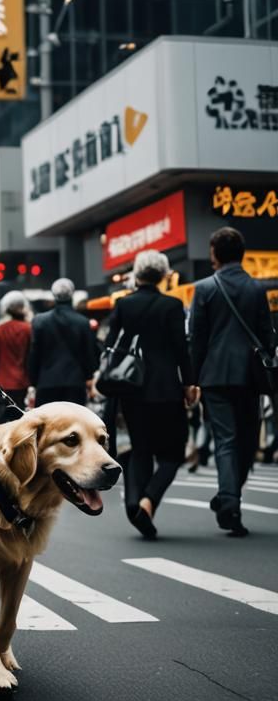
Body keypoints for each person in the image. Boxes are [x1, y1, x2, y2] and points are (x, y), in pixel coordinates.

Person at [104, 250, 197, 539]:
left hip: (131, 388)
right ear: (163, 274)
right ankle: (149, 500)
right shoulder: (172, 305)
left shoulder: (123, 304)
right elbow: (181, 348)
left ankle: (134, 502)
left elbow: (109, 345)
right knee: (173, 452)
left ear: (138, 273)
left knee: (140, 447)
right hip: (167, 388)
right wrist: (189, 383)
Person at [189, 227, 275, 537]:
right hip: (250, 376)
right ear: (241, 253)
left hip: (214, 375)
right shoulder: (256, 288)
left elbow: (197, 339)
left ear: (214, 253)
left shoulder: (205, 288)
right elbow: (267, 335)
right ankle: (230, 496)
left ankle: (229, 500)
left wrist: (192, 379)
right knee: (248, 440)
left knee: (225, 440)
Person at [28, 278, 99, 407]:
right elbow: (89, 353)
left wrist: (33, 381)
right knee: (73, 424)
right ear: (72, 294)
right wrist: (89, 377)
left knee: (48, 424)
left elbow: (34, 353)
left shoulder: (39, 321)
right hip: (75, 383)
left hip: (46, 382)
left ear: (53, 295)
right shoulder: (83, 322)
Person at [0, 290, 31, 421]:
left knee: (6, 417)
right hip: (23, 382)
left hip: (3, 382)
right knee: (21, 415)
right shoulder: (28, 329)